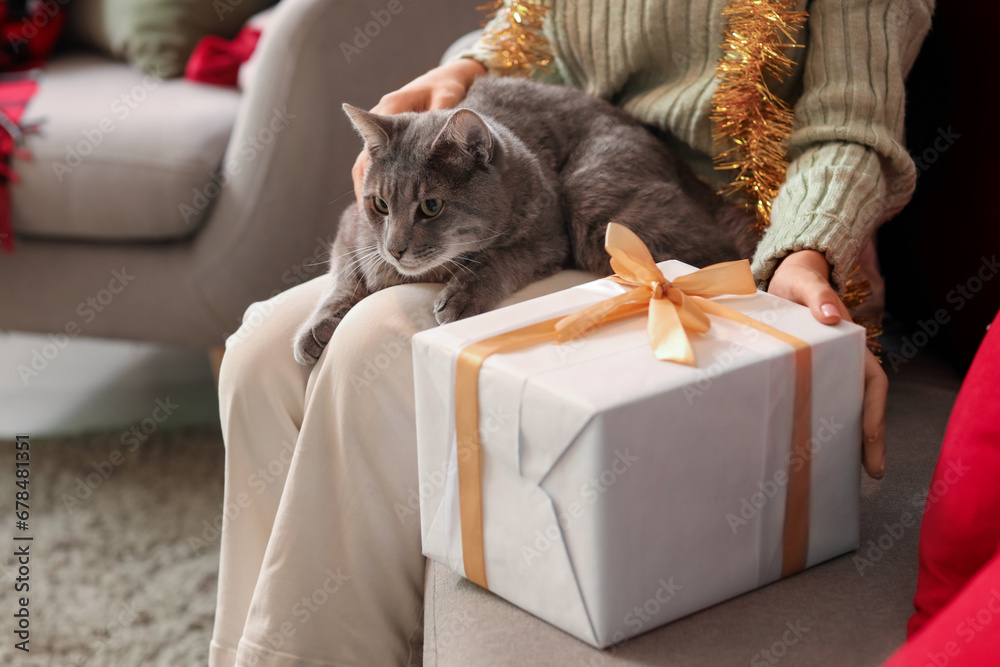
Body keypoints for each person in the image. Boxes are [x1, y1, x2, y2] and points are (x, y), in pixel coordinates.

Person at [209, 1, 933, 664]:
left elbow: (852, 126)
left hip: (679, 230)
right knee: (262, 359)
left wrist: (805, 248)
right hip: (552, 153)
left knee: (373, 346)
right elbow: (535, 29)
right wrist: (468, 65)